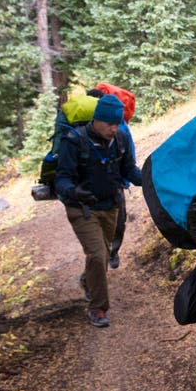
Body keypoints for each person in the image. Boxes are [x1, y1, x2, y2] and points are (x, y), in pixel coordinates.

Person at [55, 94, 142, 327]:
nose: (114, 129)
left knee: (101, 254)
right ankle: (98, 309)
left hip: (110, 206)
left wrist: (149, 179)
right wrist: (75, 192)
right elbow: (61, 180)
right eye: (109, 124)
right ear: (97, 120)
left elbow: (129, 170)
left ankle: (87, 281)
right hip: (82, 209)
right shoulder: (74, 141)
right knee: (97, 254)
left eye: (117, 123)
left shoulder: (121, 140)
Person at [86, 88, 136, 269]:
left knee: (118, 223)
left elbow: (128, 159)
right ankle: (96, 271)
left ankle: (111, 252)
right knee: (97, 245)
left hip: (115, 188)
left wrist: (138, 177)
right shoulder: (81, 136)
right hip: (88, 194)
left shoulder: (119, 130)